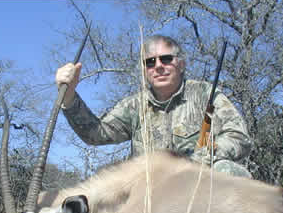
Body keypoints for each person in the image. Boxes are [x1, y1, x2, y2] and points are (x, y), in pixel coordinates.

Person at [55, 35, 252, 177]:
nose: (158, 66)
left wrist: (205, 157)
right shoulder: (133, 105)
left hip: (198, 184)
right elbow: (96, 134)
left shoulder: (205, 94)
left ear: (181, 64)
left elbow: (238, 136)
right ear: (145, 70)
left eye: (166, 59)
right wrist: (70, 96)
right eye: (150, 62)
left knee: (229, 171)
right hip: (149, 193)